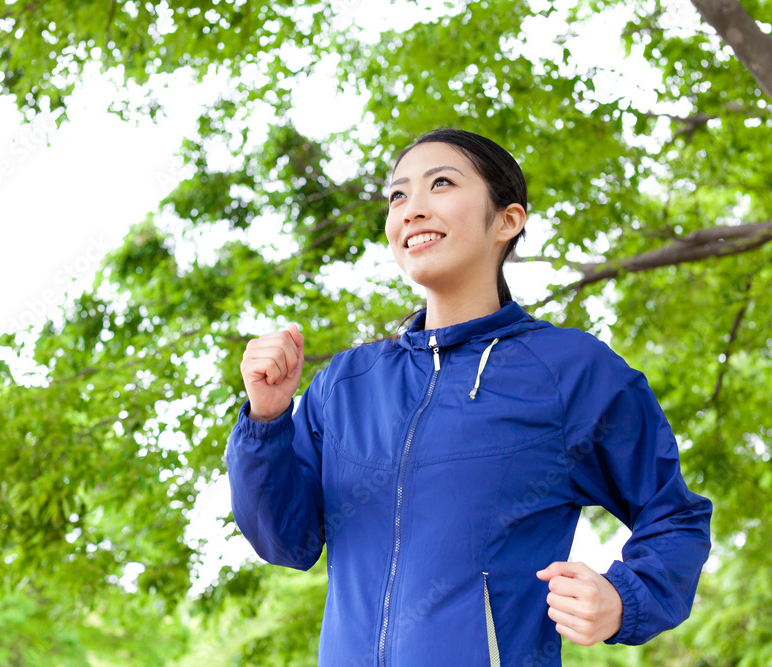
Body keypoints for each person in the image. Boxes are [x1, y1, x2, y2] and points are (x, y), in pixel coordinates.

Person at [225, 128, 712, 666]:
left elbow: (675, 518)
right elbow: (286, 542)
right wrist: (266, 420)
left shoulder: (570, 372)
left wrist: (624, 599)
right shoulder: (346, 384)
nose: (411, 209)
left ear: (507, 220)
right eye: (398, 195)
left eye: (441, 183)